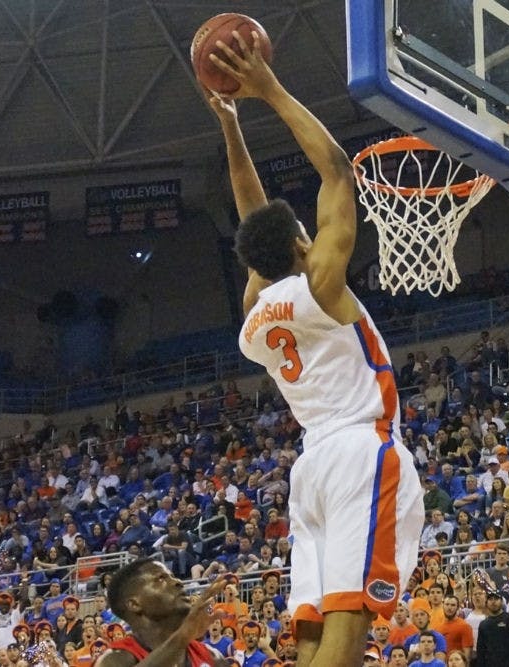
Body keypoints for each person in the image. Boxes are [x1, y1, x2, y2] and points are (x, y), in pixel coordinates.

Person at [211, 30, 423, 667]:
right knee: (350, 620)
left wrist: (230, 125)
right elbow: (336, 167)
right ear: (303, 247)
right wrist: (266, 91)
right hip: (362, 450)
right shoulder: (322, 285)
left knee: (310, 630)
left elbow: (254, 218)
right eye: (306, 231)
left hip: (310, 470)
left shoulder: (253, 321)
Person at [94, 558, 229, 667]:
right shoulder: (114, 659)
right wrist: (182, 636)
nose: (178, 582)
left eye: (172, 576)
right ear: (134, 604)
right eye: (161, 579)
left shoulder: (212, 657)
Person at [475, 590, 509, 667]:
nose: (493, 602)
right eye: (490, 599)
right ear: (486, 602)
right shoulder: (483, 624)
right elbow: (481, 651)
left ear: (501, 601)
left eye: (496, 599)